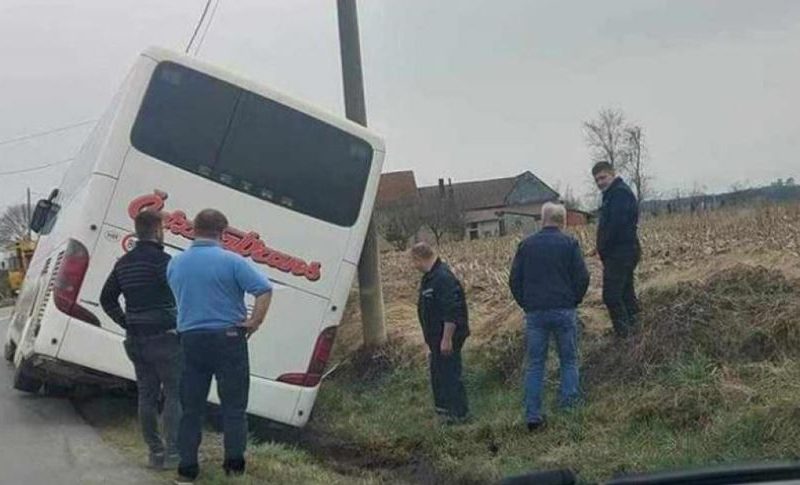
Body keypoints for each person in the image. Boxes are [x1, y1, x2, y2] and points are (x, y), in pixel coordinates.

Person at [167, 209, 273, 484]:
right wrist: (254, 322)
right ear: (223, 232)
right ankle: (234, 468)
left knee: (191, 408)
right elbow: (263, 289)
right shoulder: (233, 261)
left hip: (191, 339)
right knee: (234, 407)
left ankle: (187, 470)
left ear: (193, 229)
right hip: (228, 339)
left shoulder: (175, 264)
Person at [100, 210, 181, 470]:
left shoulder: (123, 263)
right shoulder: (164, 262)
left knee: (146, 397)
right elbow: (180, 295)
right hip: (166, 339)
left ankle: (154, 453)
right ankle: (173, 454)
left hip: (136, 340)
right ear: (158, 230)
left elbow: (106, 298)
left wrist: (125, 321)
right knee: (174, 395)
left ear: (137, 230)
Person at [509, 202, 590, 431]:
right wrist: (574, 300)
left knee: (535, 364)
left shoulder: (526, 245)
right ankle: (569, 409)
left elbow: (514, 280)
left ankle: (533, 414)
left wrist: (526, 303)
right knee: (569, 360)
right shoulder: (570, 244)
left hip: (535, 312)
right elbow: (583, 277)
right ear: (562, 221)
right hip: (564, 310)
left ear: (542, 219)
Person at [411, 242, 470, 423]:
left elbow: (451, 310)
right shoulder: (430, 278)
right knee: (439, 374)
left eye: (413, 261)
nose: (414, 266)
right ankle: (445, 413)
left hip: (447, 337)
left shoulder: (442, 278)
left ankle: (459, 415)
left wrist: (447, 339)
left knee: (449, 374)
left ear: (419, 258)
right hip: (436, 338)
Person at [592, 161, 641, 337]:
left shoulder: (619, 194)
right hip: (622, 252)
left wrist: (604, 245)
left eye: (603, 177)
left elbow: (616, 226)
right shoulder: (612, 194)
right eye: (597, 180)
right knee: (626, 293)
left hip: (621, 253)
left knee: (611, 296)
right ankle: (636, 331)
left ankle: (624, 337)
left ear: (612, 174)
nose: (600, 183)